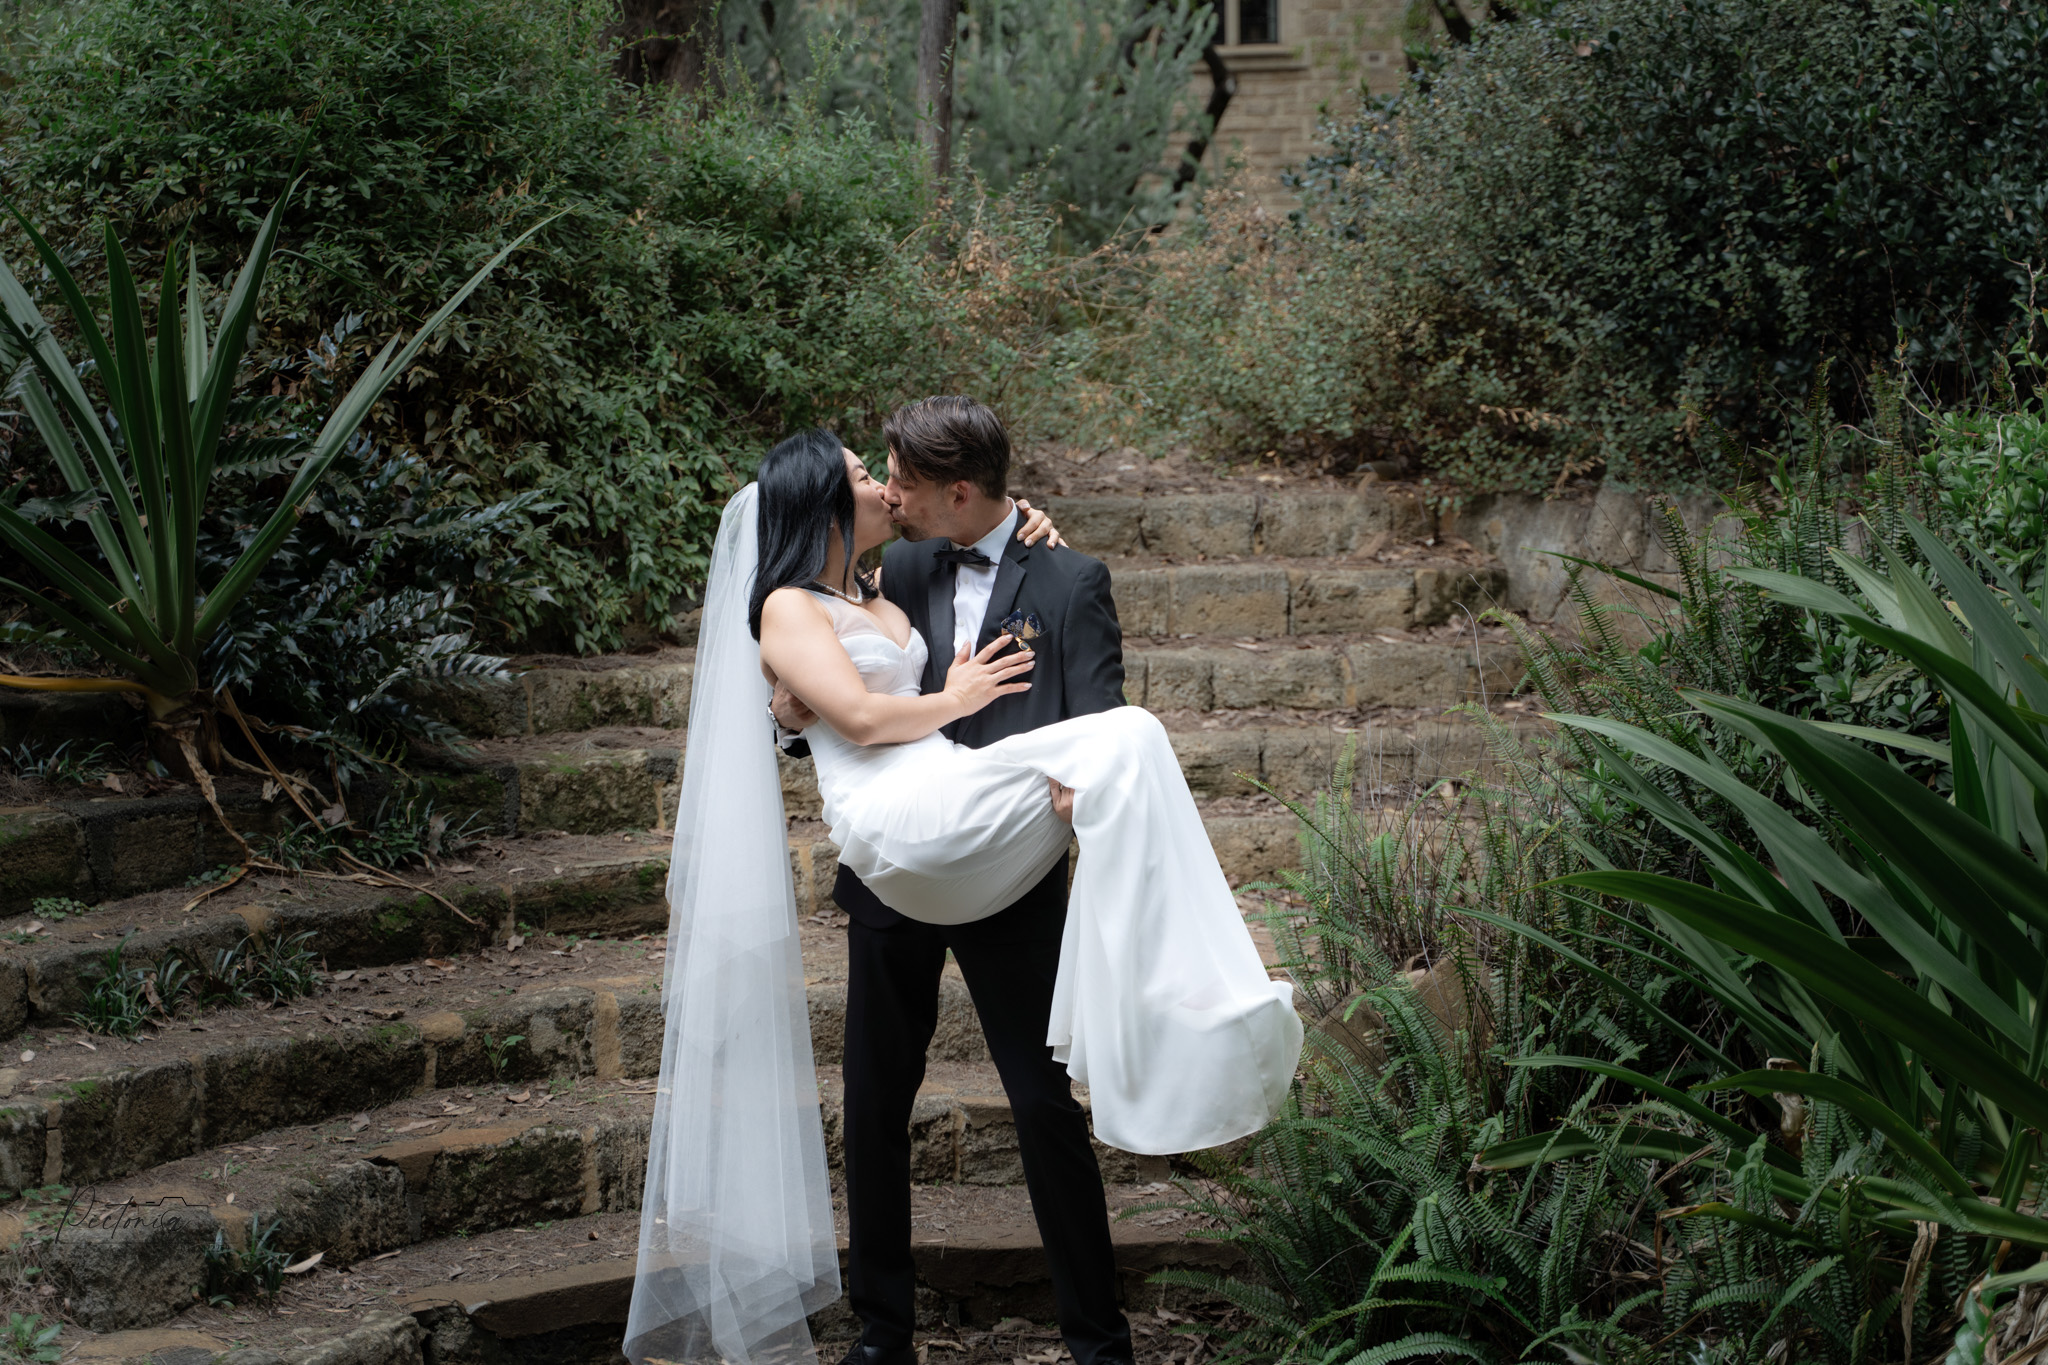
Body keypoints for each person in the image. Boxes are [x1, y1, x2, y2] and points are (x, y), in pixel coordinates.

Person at [626, 402, 1303, 1365]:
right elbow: (824, 694)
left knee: (1040, 1101)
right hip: (900, 864)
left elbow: (1096, 709)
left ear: (959, 492)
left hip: (1009, 856)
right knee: (875, 1097)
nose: (886, 492)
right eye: (874, 476)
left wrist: (1073, 786)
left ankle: (1098, 1341)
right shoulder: (893, 567)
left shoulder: (1066, 574)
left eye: (898, 479)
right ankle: (881, 1332)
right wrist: (787, 712)